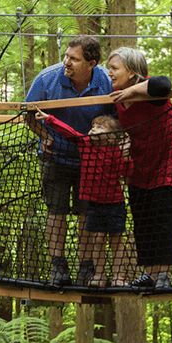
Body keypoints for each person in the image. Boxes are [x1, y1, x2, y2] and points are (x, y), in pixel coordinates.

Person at [106, 47, 172, 289]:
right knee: (142, 214)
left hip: (171, 156)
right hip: (143, 160)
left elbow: (163, 84)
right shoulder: (115, 97)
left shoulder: (151, 89)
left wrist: (132, 90)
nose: (110, 73)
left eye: (114, 68)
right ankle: (150, 273)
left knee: (163, 214)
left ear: (131, 72)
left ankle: (163, 275)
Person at [25, 35, 114, 286]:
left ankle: (86, 267)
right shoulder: (47, 79)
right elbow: (27, 114)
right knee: (56, 211)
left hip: (91, 159)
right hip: (56, 155)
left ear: (91, 63)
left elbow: (115, 119)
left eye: (74, 59)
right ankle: (58, 266)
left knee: (87, 213)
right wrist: (44, 136)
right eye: (66, 56)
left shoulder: (106, 82)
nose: (66, 62)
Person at [34, 110, 131, 287]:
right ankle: (99, 275)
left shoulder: (116, 151)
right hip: (94, 203)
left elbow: (125, 173)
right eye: (93, 126)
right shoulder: (86, 144)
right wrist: (50, 119)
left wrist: (125, 155)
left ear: (111, 137)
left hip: (115, 203)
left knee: (116, 240)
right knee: (97, 240)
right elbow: (69, 132)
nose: (93, 129)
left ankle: (119, 276)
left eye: (100, 127)